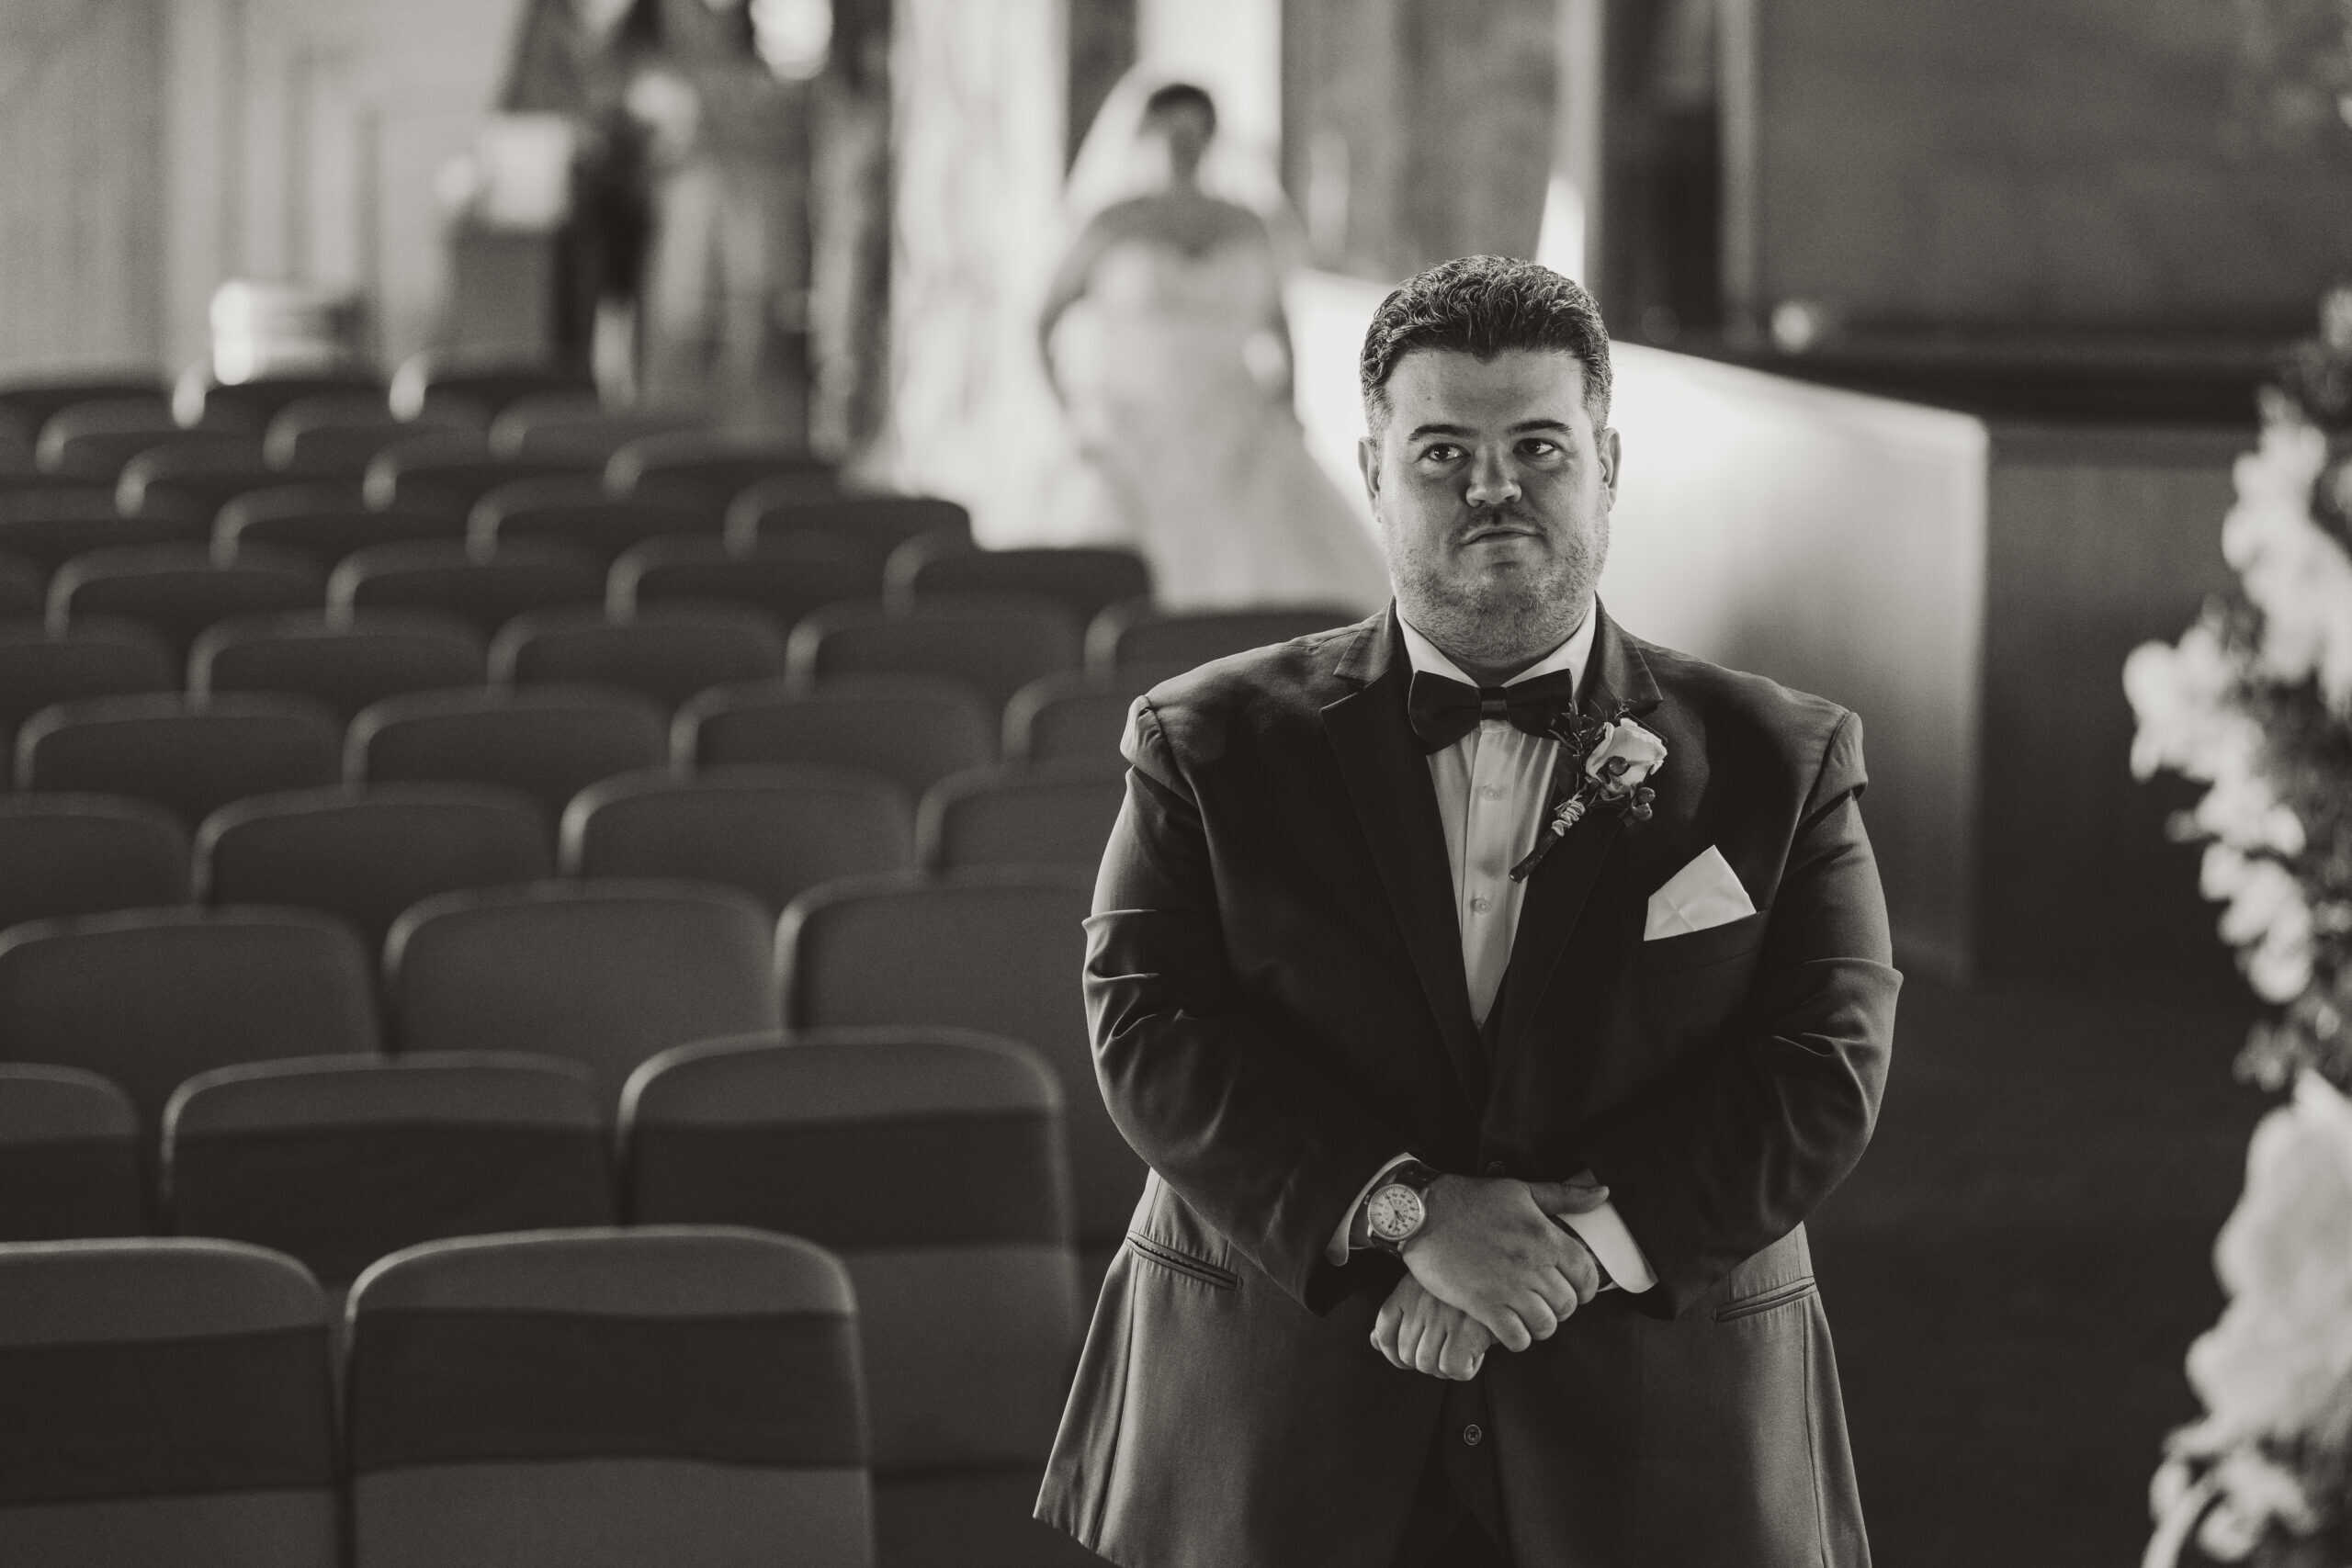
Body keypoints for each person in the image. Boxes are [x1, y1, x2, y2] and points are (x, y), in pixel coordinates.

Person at [1035, 255, 1900, 1566]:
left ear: (1607, 462)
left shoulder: (1784, 758)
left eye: (1537, 446)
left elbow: (1824, 1064)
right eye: (1443, 451)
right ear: (1373, 473)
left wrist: (1564, 1253)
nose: (1494, 487)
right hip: (1279, 1421)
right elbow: (1147, 1026)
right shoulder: (1203, 740)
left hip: (1658, 1430)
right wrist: (1412, 1214)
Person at [1035, 76, 1391, 613]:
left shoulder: (1247, 223)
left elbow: (1278, 329)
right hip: (1131, 429)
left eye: (1196, 132)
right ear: (1145, 137)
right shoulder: (1111, 224)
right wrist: (1070, 413)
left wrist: (1284, 407)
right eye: (1170, 132)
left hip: (1235, 426)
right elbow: (1043, 323)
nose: (1183, 146)